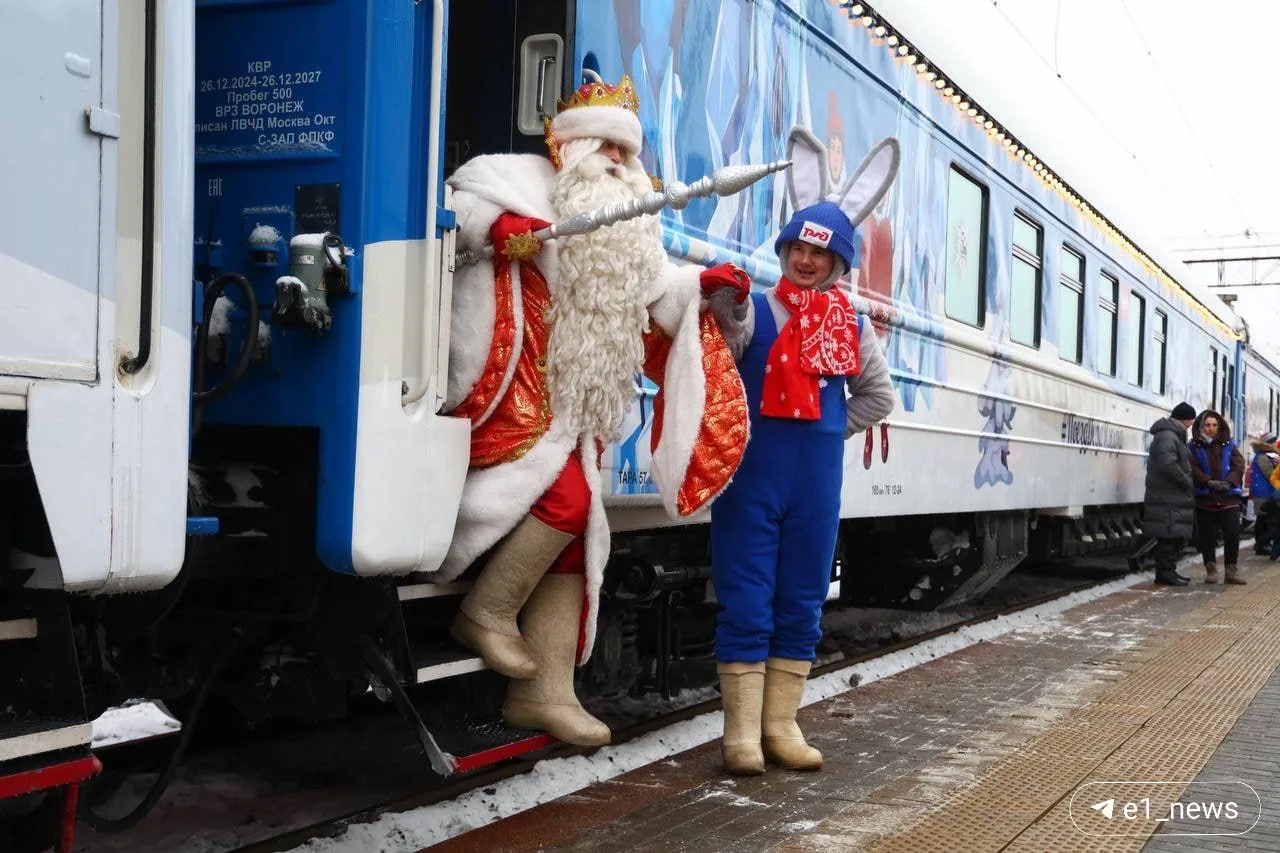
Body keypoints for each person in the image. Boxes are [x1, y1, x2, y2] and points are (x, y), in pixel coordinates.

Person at [436, 74, 753, 746]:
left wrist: (704, 287)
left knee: (578, 535)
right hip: (511, 396)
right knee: (571, 505)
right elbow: (456, 210)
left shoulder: (629, 219)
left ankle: (544, 691)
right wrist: (501, 226)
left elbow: (655, 288)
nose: (616, 157)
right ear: (572, 144)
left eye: (626, 148)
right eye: (606, 143)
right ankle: (486, 611)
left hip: (574, 407)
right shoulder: (510, 177)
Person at [710, 200, 896, 775]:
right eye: (797, 248)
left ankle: (781, 726)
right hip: (751, 477)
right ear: (784, 251)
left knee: (803, 598)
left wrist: (831, 426)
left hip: (815, 484)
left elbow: (879, 397)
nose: (806, 260)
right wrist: (722, 310)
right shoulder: (753, 312)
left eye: (819, 252)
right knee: (745, 596)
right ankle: (741, 734)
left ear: (837, 263)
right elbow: (721, 365)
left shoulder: (853, 325)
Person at [1188, 408, 1247, 585]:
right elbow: (1192, 467)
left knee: (1232, 534)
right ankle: (1211, 571)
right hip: (1205, 498)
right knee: (1207, 536)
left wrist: (1229, 482)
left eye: (1214, 425)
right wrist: (1207, 482)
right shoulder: (1193, 447)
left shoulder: (1229, 445)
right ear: (1201, 427)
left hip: (1229, 498)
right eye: (1207, 425)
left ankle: (1231, 572)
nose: (1211, 428)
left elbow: (1239, 465)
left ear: (1219, 426)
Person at [1142, 403, 1197, 586]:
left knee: (1173, 536)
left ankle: (1169, 571)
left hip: (1171, 495)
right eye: (1191, 420)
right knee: (1168, 535)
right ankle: (1164, 573)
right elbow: (1168, 465)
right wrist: (1186, 481)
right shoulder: (1168, 436)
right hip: (1168, 496)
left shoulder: (1172, 435)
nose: (1192, 424)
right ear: (1186, 419)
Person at [1248, 432, 1279, 556]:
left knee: (1265, 518)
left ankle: (1263, 544)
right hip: (1262, 492)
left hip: (1266, 491)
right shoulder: (1262, 457)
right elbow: (1270, 474)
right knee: (1262, 518)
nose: (1275, 444)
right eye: (1273, 442)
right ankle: (1260, 545)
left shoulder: (1266, 456)